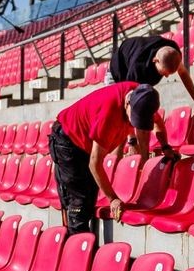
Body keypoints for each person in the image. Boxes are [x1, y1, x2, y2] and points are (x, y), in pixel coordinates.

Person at [49, 81, 176, 236]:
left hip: (84, 144)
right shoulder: (109, 114)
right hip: (68, 141)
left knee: (90, 196)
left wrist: (165, 147)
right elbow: (95, 163)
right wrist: (113, 198)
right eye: (134, 118)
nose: (133, 123)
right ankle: (75, 249)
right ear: (128, 103)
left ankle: (86, 244)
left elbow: (157, 124)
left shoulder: (145, 98)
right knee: (79, 201)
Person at [109, 35, 194, 109]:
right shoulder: (137, 68)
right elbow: (129, 98)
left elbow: (183, 73)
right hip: (116, 72)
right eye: (164, 73)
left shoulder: (171, 52)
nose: (167, 76)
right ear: (155, 60)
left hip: (134, 58)